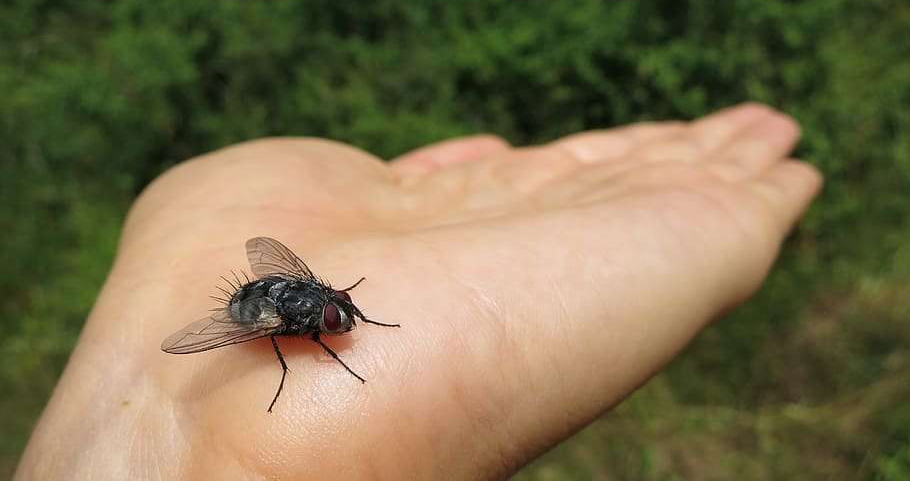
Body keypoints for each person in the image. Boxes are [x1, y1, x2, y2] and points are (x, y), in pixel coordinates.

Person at [15, 103, 821, 479]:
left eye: (340, 312)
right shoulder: (284, 323)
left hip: (276, 283)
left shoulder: (326, 300)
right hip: (252, 304)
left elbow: (309, 282)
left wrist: (351, 306)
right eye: (337, 318)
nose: (341, 320)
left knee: (298, 299)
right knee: (263, 332)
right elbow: (269, 312)